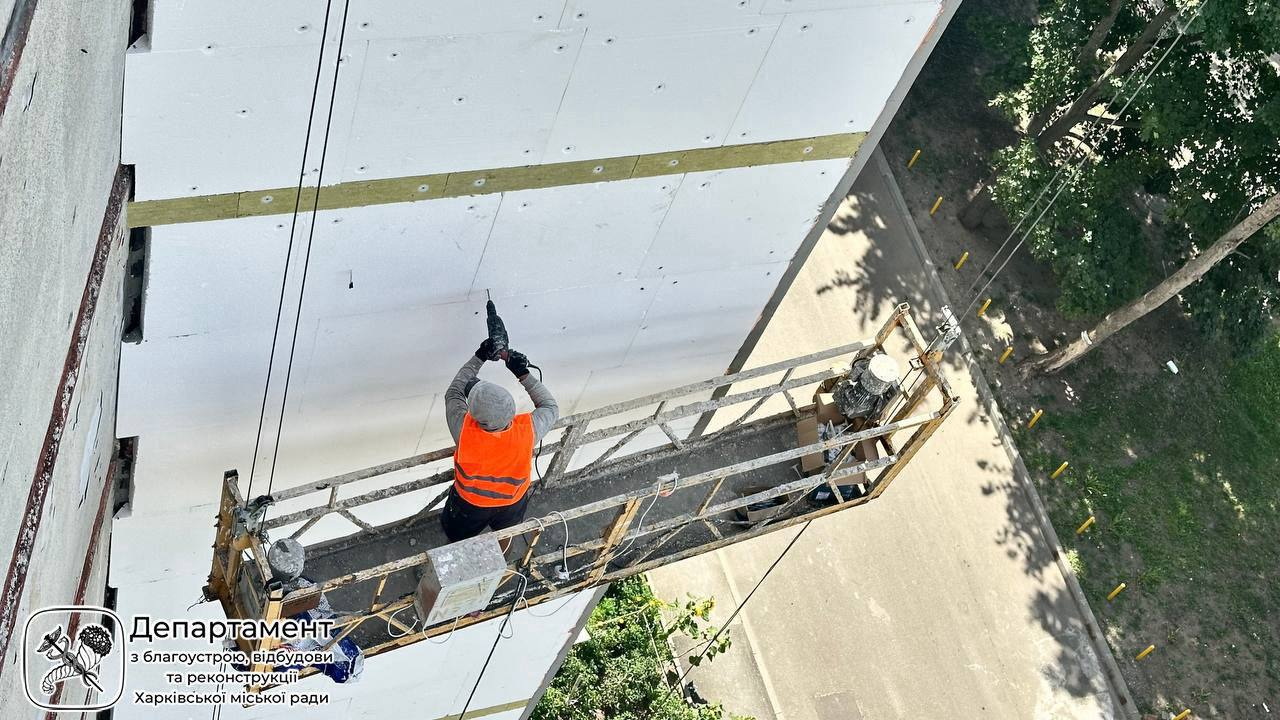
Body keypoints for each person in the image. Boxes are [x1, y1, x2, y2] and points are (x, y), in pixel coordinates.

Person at [440, 338, 558, 547]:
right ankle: (502, 558)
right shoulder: (528, 430)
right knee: (505, 534)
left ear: (475, 416)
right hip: (512, 502)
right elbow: (549, 406)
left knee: (457, 540)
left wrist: (479, 357)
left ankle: (456, 561)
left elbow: (454, 392)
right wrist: (522, 372)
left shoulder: (464, 430)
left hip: (469, 505)